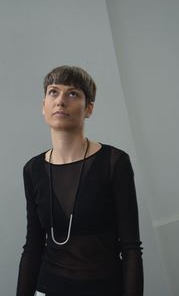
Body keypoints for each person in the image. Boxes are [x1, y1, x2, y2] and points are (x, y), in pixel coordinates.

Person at [16, 65, 143, 296]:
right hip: (47, 288)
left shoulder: (114, 162)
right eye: (53, 92)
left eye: (72, 93)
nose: (61, 100)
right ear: (43, 107)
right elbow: (32, 248)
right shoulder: (33, 169)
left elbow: (131, 248)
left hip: (104, 289)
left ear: (89, 108)